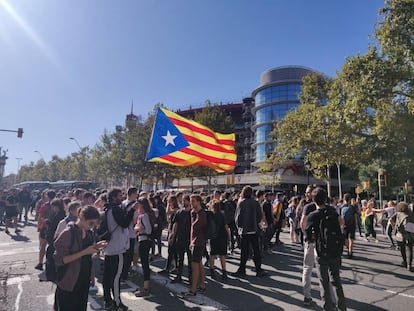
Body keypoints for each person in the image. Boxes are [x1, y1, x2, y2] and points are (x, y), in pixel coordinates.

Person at [53, 205, 107, 311]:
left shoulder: (89, 233)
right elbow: (60, 260)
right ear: (81, 218)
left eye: (94, 224)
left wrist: (96, 247)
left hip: (83, 278)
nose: (92, 226)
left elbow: (87, 256)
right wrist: (85, 252)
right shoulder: (68, 233)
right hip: (68, 280)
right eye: (90, 223)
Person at [305, 187, 346, 311]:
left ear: (313, 200)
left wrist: (313, 238)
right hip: (335, 248)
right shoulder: (332, 210)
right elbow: (341, 222)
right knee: (336, 280)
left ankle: (328, 307)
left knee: (324, 281)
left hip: (321, 250)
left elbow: (307, 234)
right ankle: (342, 307)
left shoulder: (313, 216)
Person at [102, 188, 136, 311]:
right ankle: (117, 302)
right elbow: (124, 223)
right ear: (114, 197)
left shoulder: (107, 208)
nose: (122, 197)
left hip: (109, 247)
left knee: (107, 276)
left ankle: (107, 300)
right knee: (116, 276)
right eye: (120, 195)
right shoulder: (115, 209)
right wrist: (132, 210)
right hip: (117, 248)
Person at [234, 185, 267, 277]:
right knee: (256, 250)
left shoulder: (241, 203)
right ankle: (258, 269)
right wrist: (255, 223)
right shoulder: (255, 203)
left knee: (244, 251)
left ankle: (242, 269)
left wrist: (239, 227)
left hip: (244, 230)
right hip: (254, 229)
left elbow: (237, 217)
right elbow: (260, 216)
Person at [181, 194, 208, 297]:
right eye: (191, 201)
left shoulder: (201, 214)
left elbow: (195, 226)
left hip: (198, 242)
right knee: (199, 263)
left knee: (195, 265)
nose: (191, 203)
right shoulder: (195, 213)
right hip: (195, 241)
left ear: (199, 202)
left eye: (193, 201)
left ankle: (193, 290)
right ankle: (202, 286)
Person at [133, 197, 156, 297]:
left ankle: (146, 288)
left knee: (144, 263)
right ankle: (145, 286)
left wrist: (139, 229)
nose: (137, 206)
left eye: (138, 204)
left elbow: (149, 230)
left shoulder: (144, 216)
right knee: (144, 263)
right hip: (144, 240)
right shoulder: (144, 215)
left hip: (145, 241)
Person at [169, 194, 192, 283]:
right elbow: (176, 224)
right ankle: (179, 275)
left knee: (190, 259)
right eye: (182, 200)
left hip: (189, 238)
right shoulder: (179, 212)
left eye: (185, 200)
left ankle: (191, 277)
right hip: (180, 237)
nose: (183, 202)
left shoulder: (192, 213)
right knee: (180, 258)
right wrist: (173, 236)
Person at [209, 199, 230, 280]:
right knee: (222, 255)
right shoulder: (222, 215)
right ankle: (224, 271)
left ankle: (212, 271)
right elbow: (226, 227)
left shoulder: (210, 215)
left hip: (213, 236)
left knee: (212, 254)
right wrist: (229, 237)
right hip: (222, 236)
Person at [36, 190, 56, 270]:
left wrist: (39, 226)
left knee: (42, 246)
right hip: (55, 227)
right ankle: (52, 262)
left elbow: (40, 216)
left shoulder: (45, 205)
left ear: (47, 196)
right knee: (54, 246)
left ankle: (40, 263)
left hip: (45, 227)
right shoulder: (59, 204)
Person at [395, 201, 414, 271]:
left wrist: (396, 228)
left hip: (401, 234)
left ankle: (405, 262)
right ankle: (409, 264)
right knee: (409, 249)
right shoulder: (411, 213)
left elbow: (392, 220)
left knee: (402, 249)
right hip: (410, 234)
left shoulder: (398, 214)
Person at [340, 193, 358, 258]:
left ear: (344, 199)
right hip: (352, 225)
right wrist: (356, 225)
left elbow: (340, 217)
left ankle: (348, 248)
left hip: (344, 225)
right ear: (350, 199)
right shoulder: (353, 207)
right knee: (351, 239)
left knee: (345, 239)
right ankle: (350, 252)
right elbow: (355, 216)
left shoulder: (341, 207)